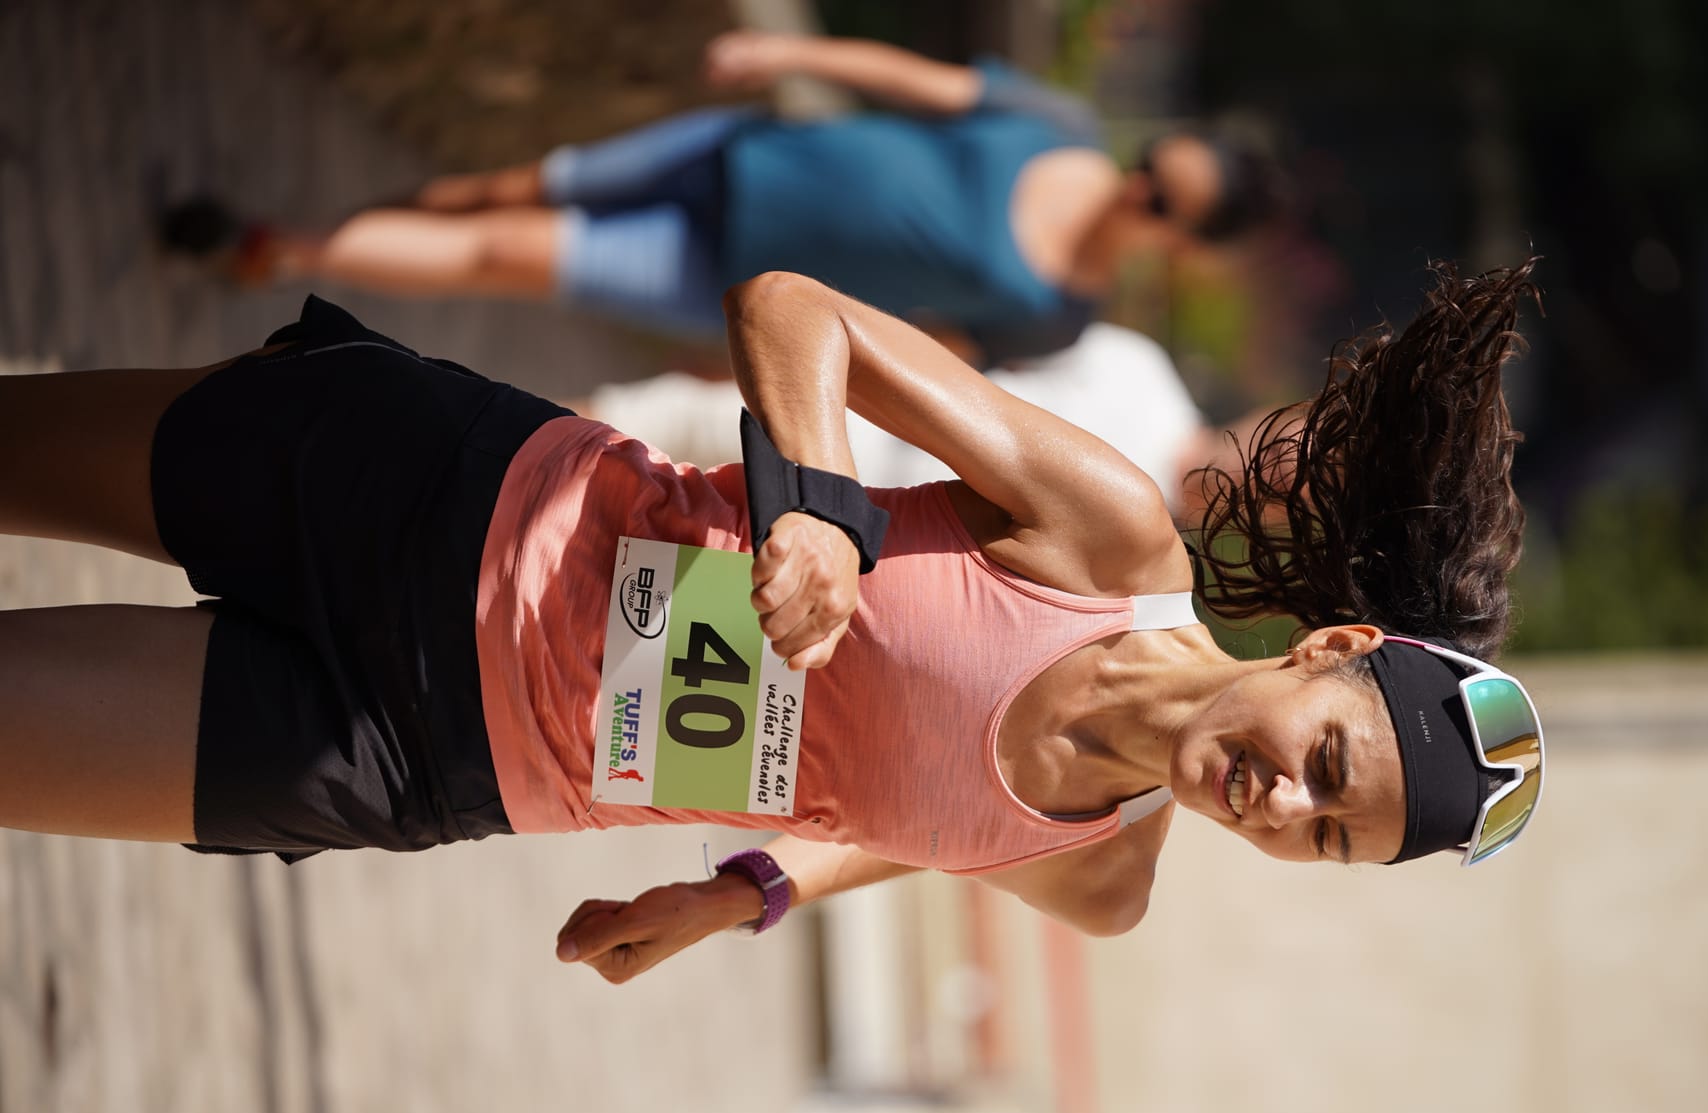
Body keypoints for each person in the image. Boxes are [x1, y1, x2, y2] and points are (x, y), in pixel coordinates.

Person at [0, 260, 1545, 990]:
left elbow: (924, 828)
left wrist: (738, 891)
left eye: (1324, 837)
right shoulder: (1107, 538)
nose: (1281, 805)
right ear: (1330, 651)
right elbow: (795, 311)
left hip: (420, 758)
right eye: (1327, 764)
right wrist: (814, 511)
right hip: (439, 499)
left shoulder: (1104, 879)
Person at [160, 30, 1285, 364]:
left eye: (1160, 202)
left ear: (1180, 244)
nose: (1135, 187)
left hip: (727, 277)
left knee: (507, 250)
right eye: (1153, 164)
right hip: (741, 151)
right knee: (509, 187)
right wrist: (786, 52)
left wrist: (764, 371)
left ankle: (288, 247)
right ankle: (331, 231)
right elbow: (913, 81)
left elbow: (907, 353)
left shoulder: (1055, 316)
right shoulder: (1059, 121)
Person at [572, 320, 1243, 515]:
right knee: (596, 431)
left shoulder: (1147, 567)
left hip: (849, 534)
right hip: (832, 414)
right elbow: (969, 344)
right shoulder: (1139, 366)